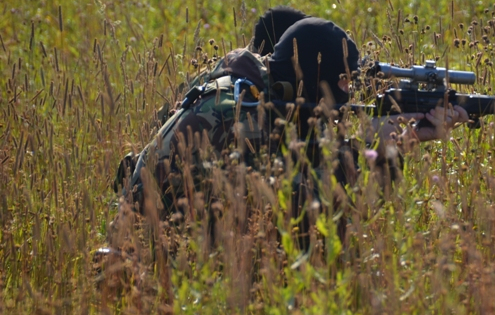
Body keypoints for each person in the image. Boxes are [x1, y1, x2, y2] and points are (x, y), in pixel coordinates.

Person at [110, 13, 468, 253]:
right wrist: (390, 147)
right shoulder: (237, 114)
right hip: (152, 260)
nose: (345, 94)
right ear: (307, 79)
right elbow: (310, 216)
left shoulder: (249, 87)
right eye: (340, 82)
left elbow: (297, 155)